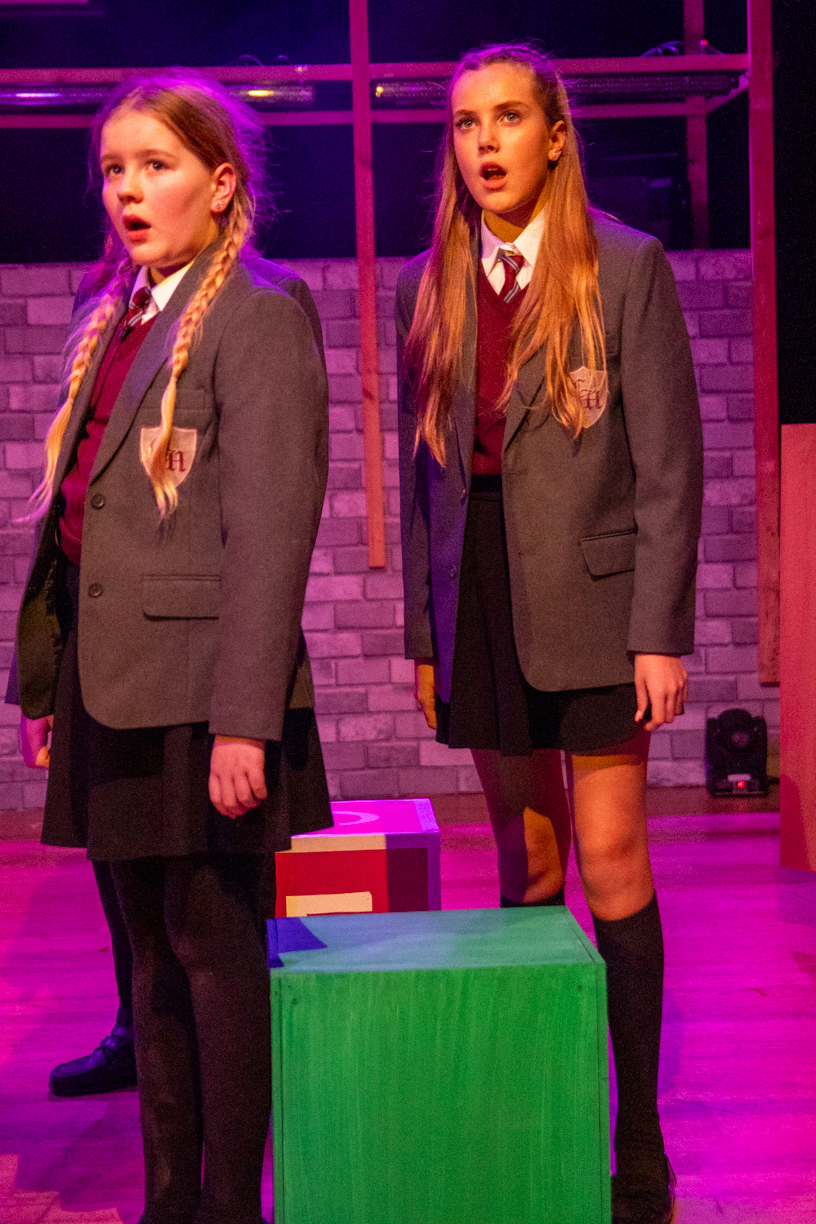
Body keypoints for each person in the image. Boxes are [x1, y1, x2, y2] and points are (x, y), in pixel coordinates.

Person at [10, 70, 330, 1224]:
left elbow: (272, 533)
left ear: (222, 182)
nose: (130, 190)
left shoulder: (258, 312)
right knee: (145, 957)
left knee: (211, 951)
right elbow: (79, 522)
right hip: (113, 686)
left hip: (202, 695)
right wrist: (47, 681)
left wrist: (246, 720)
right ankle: (167, 1204)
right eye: (115, 169)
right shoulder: (122, 313)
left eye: (157, 165)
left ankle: (231, 1207)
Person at [397, 43, 702, 1224]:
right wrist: (425, 633)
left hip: (595, 602)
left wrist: (658, 632)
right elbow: (420, 478)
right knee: (525, 865)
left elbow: (669, 469)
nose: (485, 142)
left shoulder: (625, 266)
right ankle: (544, 1113)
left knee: (614, 859)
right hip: (477, 593)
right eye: (467, 122)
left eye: (509, 118)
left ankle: (639, 1141)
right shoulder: (433, 280)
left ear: (556, 135)